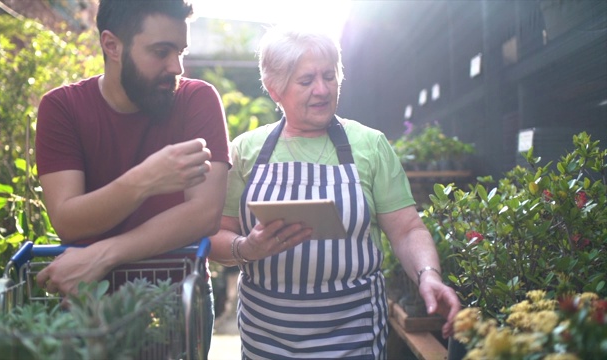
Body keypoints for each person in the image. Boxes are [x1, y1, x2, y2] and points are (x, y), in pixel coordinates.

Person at [209, 26, 461, 359]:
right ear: (275, 89)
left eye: (329, 76)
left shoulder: (370, 145)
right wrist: (246, 248)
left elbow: (407, 230)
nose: (322, 89)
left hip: (353, 334)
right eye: (306, 80)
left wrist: (429, 276)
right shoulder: (245, 151)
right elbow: (216, 236)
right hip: (267, 335)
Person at [33, 0, 230, 346]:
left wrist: (104, 254)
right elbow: (67, 219)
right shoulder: (61, 108)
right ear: (112, 45)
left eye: (181, 51)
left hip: (177, 302)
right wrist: (145, 180)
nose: (176, 67)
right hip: (87, 307)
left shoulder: (197, 99)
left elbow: (204, 214)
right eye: (161, 52)